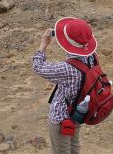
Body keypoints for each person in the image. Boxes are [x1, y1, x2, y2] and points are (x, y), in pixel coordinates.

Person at [31, 17, 98, 154]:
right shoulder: (92, 58)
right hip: (79, 113)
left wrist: (44, 43)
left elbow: (37, 66)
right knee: (74, 148)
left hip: (61, 117)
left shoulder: (66, 69)